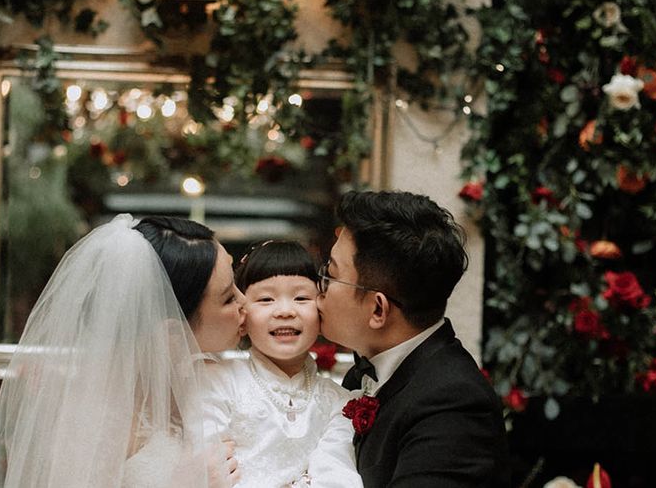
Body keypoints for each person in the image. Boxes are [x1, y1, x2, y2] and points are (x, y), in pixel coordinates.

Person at [0, 214, 245, 488]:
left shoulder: (214, 379)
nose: (245, 302)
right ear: (171, 334)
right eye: (229, 297)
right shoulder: (88, 425)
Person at [316, 191, 509, 488]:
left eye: (330, 273)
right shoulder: (362, 374)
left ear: (377, 309)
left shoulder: (454, 407)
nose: (321, 288)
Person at [201, 240, 363, 488]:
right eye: (266, 300)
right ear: (242, 316)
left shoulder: (340, 402)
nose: (285, 311)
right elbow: (209, 470)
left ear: (321, 309)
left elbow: (338, 479)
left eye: (301, 298)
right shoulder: (216, 383)